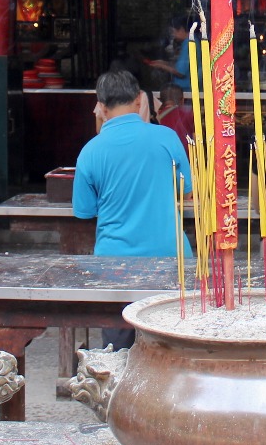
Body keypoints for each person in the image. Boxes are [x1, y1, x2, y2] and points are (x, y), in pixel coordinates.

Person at [74, 69, 193, 347]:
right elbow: (186, 190)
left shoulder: (90, 151)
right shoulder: (166, 138)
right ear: (140, 99)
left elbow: (84, 210)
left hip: (115, 267)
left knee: (118, 352)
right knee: (171, 348)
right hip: (170, 260)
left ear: (101, 108)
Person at [144, 17, 191, 91]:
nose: (173, 35)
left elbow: (180, 72)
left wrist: (162, 66)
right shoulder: (187, 43)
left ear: (181, 29)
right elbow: (181, 66)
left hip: (185, 90)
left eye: (173, 31)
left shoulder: (188, 45)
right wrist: (165, 63)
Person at [156, 85, 194, 159]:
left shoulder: (156, 117)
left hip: (163, 156)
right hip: (185, 156)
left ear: (160, 101)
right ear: (182, 100)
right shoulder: (188, 113)